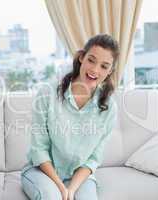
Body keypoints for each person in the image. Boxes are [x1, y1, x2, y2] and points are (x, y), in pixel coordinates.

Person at [21, 34, 119, 200]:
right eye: (91, 60)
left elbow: (94, 158)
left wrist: (72, 189)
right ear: (81, 57)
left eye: (104, 66)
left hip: (79, 176)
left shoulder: (109, 108)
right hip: (41, 171)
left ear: (110, 71)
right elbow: (39, 150)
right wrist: (61, 187)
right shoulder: (47, 94)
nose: (95, 70)